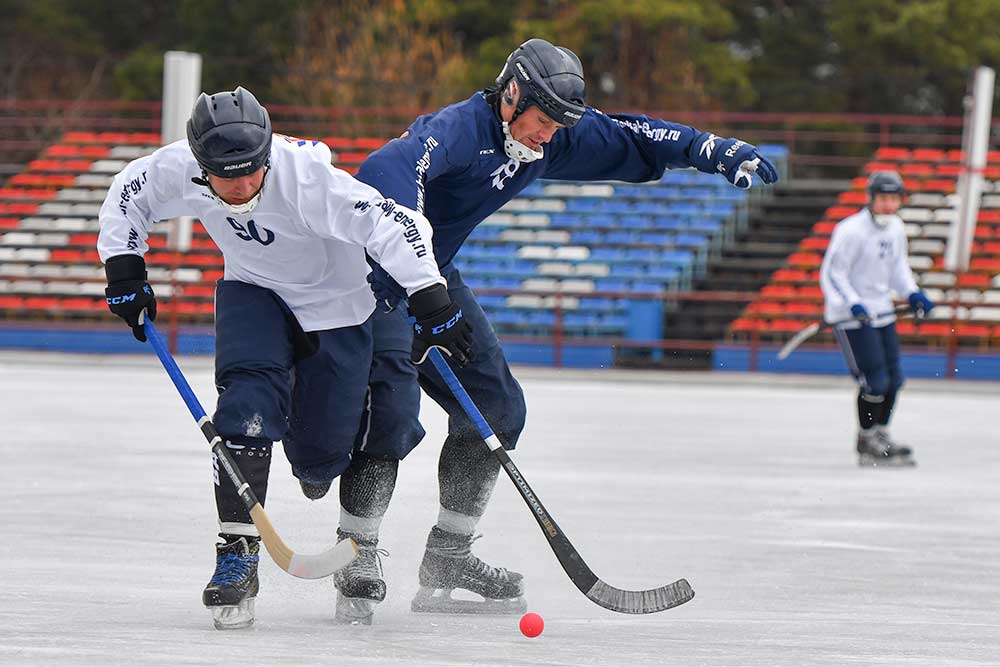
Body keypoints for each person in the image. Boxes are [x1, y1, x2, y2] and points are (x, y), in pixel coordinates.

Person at [320, 38, 780, 618]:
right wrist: (414, 277)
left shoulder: (542, 140)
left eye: (558, 129)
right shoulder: (460, 130)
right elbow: (389, 168)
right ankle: (358, 550)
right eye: (542, 122)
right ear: (511, 95)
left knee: (498, 409)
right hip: (369, 281)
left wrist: (708, 148)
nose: (548, 137)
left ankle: (448, 557)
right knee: (390, 414)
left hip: (438, 278)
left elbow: (630, 137)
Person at [97, 86, 472, 629]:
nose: (243, 185)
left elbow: (394, 223)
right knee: (244, 407)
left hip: (337, 307)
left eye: (253, 171)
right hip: (254, 291)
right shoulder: (178, 168)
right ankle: (238, 554)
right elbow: (128, 195)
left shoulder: (307, 178)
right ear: (201, 163)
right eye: (227, 176)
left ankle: (354, 537)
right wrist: (124, 267)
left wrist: (430, 292)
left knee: (320, 460)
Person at [819, 170, 935, 466]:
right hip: (852, 316)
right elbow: (834, 273)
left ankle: (881, 434)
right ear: (871, 199)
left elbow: (898, 268)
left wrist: (912, 293)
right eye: (883, 198)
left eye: (894, 199)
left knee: (895, 379)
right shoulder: (851, 230)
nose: (888, 205)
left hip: (881, 311)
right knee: (875, 381)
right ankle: (866, 440)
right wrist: (853, 304)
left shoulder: (895, 227)